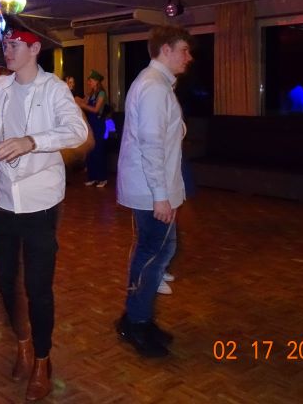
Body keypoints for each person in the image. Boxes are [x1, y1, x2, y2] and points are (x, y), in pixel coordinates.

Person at [0, 16, 88, 401]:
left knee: (38, 288)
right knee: (6, 281)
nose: (6, 51)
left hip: (42, 205)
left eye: (14, 44)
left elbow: (77, 130)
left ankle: (42, 360)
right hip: (4, 203)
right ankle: (23, 344)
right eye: (5, 44)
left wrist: (31, 141)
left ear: (34, 48)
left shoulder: (54, 89)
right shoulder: (0, 88)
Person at [114, 24, 193, 358]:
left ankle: (134, 318)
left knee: (154, 250)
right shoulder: (154, 86)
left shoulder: (156, 84)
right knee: (154, 253)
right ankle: (137, 322)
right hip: (151, 191)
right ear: (166, 50)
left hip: (151, 188)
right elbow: (151, 144)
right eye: (184, 50)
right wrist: (161, 196)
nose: (189, 57)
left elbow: (162, 134)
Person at [76, 70, 108, 187]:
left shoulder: (101, 94)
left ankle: (102, 178)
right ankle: (92, 177)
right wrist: (77, 100)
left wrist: (82, 105)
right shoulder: (91, 93)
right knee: (90, 151)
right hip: (91, 124)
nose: (89, 82)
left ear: (97, 81)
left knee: (98, 150)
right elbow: (84, 102)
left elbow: (95, 109)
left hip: (98, 124)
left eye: (91, 80)